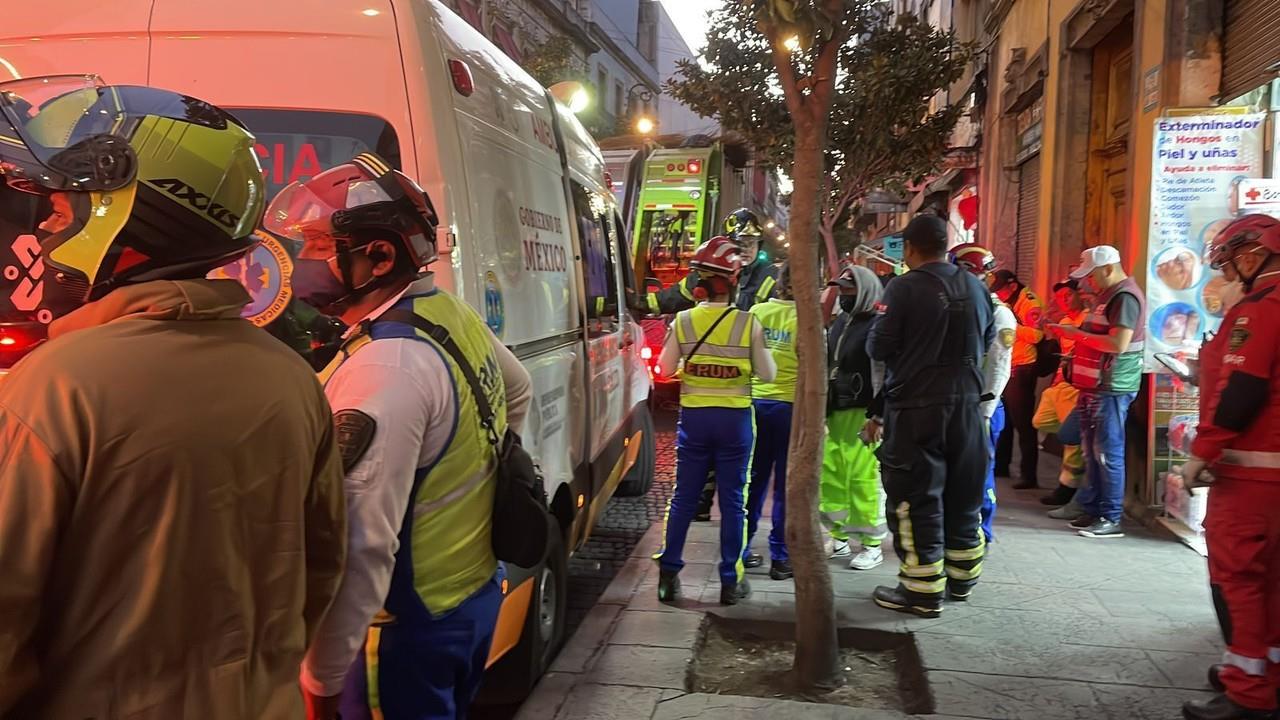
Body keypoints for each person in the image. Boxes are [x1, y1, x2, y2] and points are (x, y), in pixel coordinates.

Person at [0, 78, 347, 719]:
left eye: (61, 206)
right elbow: (320, 570)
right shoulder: (290, 377)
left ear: (133, 213)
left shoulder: (56, 385)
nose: (45, 225)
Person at [274, 155, 533, 720]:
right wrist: (477, 471)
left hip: (395, 634)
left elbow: (360, 543)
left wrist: (321, 678)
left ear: (379, 255)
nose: (303, 261)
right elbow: (518, 389)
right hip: (472, 599)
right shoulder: (444, 311)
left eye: (318, 246)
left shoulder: (385, 368)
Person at [1179, 214, 1280, 720]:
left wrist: (1203, 453)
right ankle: (1266, 674)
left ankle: (1248, 690)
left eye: (1228, 264)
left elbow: (1243, 389)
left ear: (1250, 255)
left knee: (1238, 579)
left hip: (1252, 477)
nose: (1227, 275)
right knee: (1273, 584)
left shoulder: (1261, 312)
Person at [867, 214, 994, 617]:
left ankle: (921, 592)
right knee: (964, 494)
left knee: (915, 497)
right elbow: (989, 339)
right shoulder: (976, 287)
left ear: (909, 248)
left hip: (917, 410)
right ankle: (962, 581)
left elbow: (879, 346)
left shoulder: (904, 288)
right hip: (968, 410)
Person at [656, 236, 776, 605]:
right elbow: (768, 374)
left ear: (699, 283)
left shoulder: (683, 320)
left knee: (683, 499)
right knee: (734, 501)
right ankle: (730, 580)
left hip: (694, 421)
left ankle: (669, 576)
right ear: (735, 280)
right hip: (735, 423)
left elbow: (663, 368)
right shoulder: (748, 324)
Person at [1046, 244, 1145, 539]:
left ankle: (1110, 516)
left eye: (1091, 275)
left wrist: (1077, 335)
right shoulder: (1107, 296)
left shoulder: (1124, 297)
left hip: (1111, 387)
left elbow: (1118, 344)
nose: (1087, 281)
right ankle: (1091, 507)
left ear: (1108, 269)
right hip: (1094, 385)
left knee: (1107, 453)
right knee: (1091, 451)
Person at [820, 266, 889, 571]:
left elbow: (885, 374)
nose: (844, 296)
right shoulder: (842, 323)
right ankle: (839, 537)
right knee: (832, 474)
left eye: (849, 291)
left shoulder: (878, 326)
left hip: (863, 412)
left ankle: (872, 545)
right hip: (837, 411)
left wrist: (878, 415)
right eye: (842, 291)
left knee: (863, 479)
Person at [951, 244, 1016, 544]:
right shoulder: (961, 306)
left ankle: (980, 530)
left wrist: (985, 412)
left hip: (982, 407)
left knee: (980, 472)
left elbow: (999, 367)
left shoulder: (998, 314)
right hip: (960, 403)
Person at [743, 263, 798, 580]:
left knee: (754, 481)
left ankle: (742, 549)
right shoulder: (808, 317)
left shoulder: (757, 312)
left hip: (756, 404)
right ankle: (781, 557)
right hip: (790, 408)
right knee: (786, 489)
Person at [646, 208, 779, 314]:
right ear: (726, 244)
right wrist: (640, 302)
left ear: (759, 245)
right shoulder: (708, 272)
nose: (746, 249)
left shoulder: (771, 277)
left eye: (752, 243)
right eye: (740, 243)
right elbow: (673, 297)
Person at [989, 269, 1047, 489]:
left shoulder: (1030, 302)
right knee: (1007, 420)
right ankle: (1002, 466)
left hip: (1024, 367)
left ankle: (1028, 474)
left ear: (1012, 286)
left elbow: (1037, 335)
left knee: (1023, 423)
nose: (1000, 295)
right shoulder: (1008, 302)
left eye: (1001, 290)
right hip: (1009, 364)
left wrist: (1009, 324)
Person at [1038, 279, 1089, 510]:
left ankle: (1067, 488)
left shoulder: (1086, 319)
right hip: (1060, 383)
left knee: (1071, 444)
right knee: (1040, 420)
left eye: (1068, 295)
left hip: (1076, 385)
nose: (1064, 301)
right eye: (1060, 298)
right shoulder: (1065, 321)